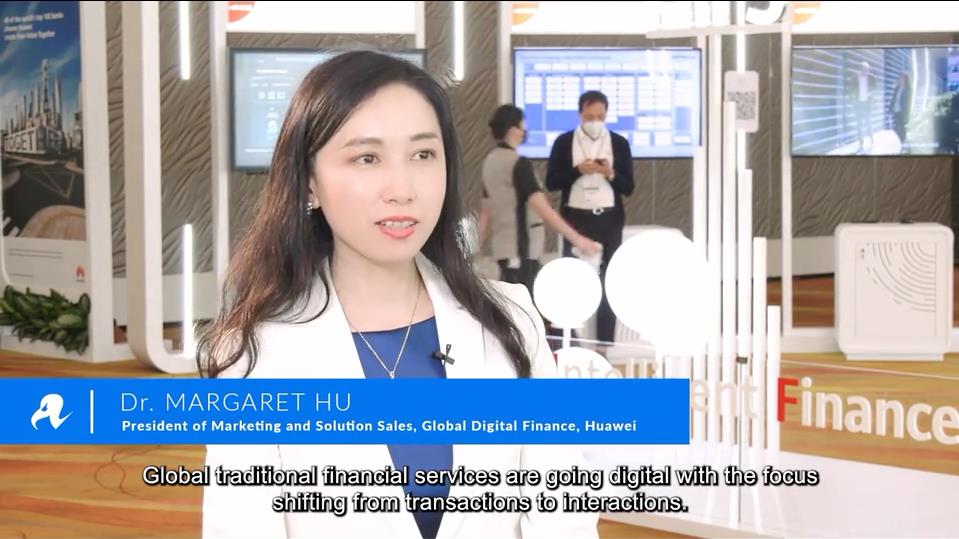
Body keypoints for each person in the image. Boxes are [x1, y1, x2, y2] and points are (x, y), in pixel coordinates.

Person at [198, 51, 597, 539]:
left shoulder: (512, 319)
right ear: (309, 183)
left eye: (423, 155)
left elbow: (563, 518)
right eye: (367, 158)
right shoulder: (251, 358)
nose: (402, 189)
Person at [478, 104, 601, 294]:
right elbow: (542, 208)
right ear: (513, 130)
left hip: (503, 250)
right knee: (525, 303)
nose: (524, 132)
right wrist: (578, 239)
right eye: (522, 127)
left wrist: (473, 249)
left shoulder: (490, 161)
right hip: (522, 249)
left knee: (512, 301)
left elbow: (485, 213)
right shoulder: (518, 164)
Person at [545, 90, 634, 345]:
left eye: (600, 116)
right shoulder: (564, 142)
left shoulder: (619, 143)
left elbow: (628, 187)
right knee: (573, 281)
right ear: (580, 114)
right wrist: (578, 170)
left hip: (609, 219)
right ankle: (570, 342)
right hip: (575, 219)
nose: (595, 121)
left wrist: (610, 173)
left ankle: (604, 346)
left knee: (609, 281)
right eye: (590, 116)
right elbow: (552, 182)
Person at [889, 72, 911, 148]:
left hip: (902, 111)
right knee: (895, 127)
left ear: (905, 79)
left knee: (901, 127)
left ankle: (902, 141)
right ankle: (901, 140)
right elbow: (893, 99)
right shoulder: (897, 88)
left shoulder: (908, 90)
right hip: (895, 110)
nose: (900, 79)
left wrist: (907, 113)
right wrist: (890, 109)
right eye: (900, 78)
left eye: (902, 78)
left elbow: (908, 102)